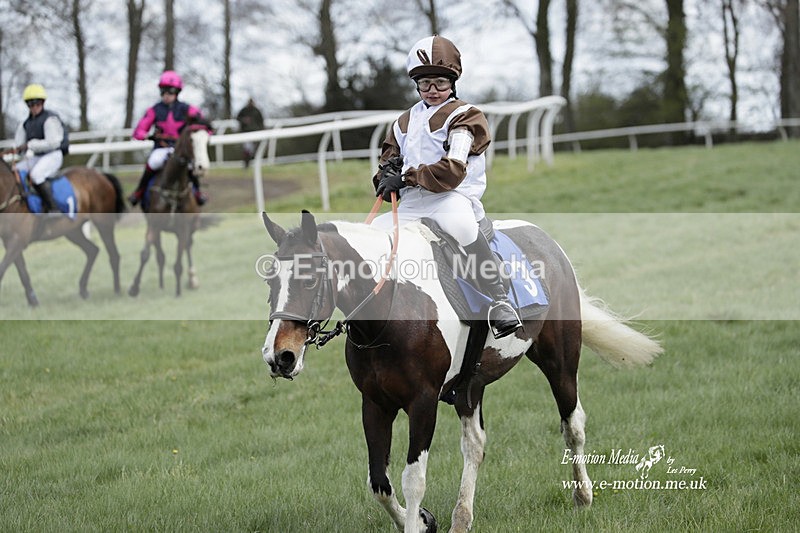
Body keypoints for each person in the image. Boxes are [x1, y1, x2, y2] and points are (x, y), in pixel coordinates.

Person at [371, 35, 522, 339]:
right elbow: (389, 161)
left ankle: (499, 301)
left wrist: (406, 178)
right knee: (374, 230)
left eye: (440, 83)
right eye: (425, 84)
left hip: (452, 197)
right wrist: (386, 178)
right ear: (416, 85)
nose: (433, 91)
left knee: (462, 227)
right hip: (414, 202)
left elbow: (453, 170)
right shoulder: (403, 121)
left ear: (452, 82)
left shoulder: (466, 116)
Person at [128, 70, 208, 206]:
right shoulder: (154, 110)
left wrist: (204, 131)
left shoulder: (186, 108)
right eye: (163, 92)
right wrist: (146, 135)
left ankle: (198, 192)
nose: (166, 95)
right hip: (162, 149)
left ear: (176, 93)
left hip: (180, 149)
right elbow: (139, 130)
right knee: (153, 162)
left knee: (190, 165)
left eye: (170, 92)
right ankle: (139, 191)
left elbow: (203, 124)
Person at [14, 84, 69, 214]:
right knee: (15, 171)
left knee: (36, 174)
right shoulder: (25, 123)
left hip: (53, 155)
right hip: (37, 156)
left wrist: (30, 145)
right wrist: (18, 149)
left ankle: (53, 208)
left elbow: (53, 143)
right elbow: (19, 144)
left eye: (37, 103)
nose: (34, 107)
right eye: (30, 104)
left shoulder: (50, 119)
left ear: (42, 103)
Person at [236, 97, 265, 167]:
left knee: (255, 149)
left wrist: (262, 130)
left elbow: (261, 121)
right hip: (246, 133)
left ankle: (255, 163)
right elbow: (238, 118)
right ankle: (246, 164)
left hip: (256, 133)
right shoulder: (244, 110)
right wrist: (244, 120)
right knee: (247, 149)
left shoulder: (257, 111)